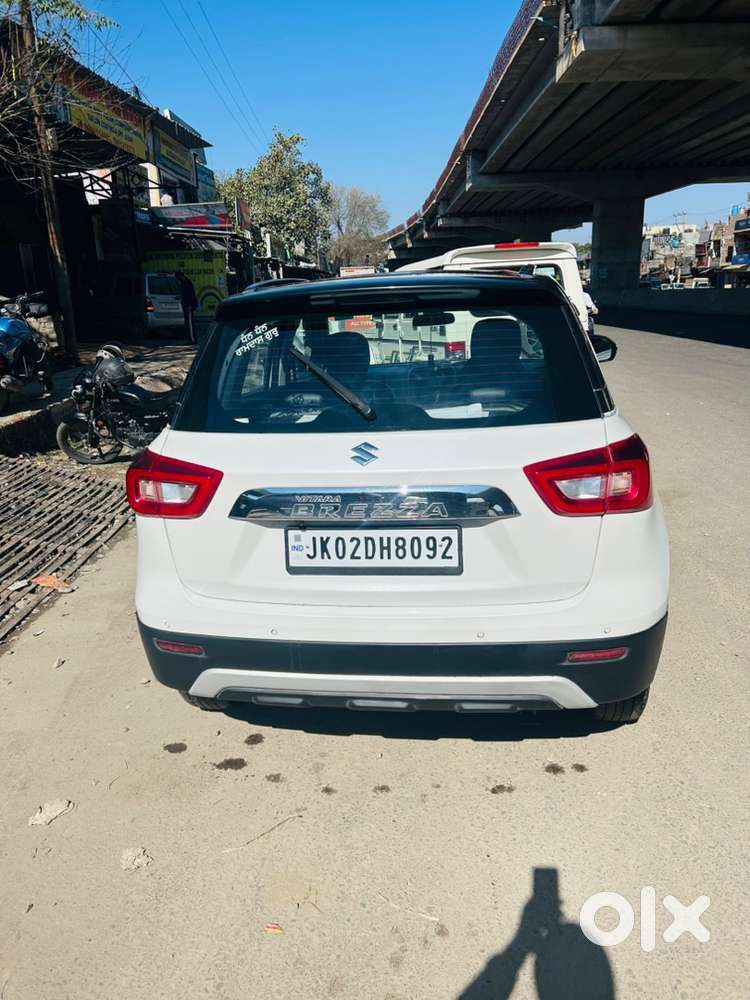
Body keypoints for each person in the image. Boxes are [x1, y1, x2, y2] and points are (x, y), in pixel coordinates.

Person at [174, 271, 198, 344]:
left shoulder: (186, 283)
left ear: (181, 276)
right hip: (187, 305)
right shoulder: (185, 283)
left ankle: (192, 339)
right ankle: (191, 339)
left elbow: (190, 295)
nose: (177, 279)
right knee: (188, 323)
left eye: (178, 278)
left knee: (189, 323)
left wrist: (189, 306)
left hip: (188, 305)